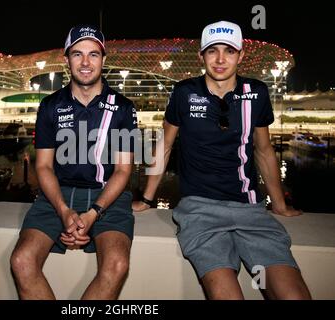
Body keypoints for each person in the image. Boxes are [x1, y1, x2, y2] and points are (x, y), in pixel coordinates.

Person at [132, 21, 311, 300]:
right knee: (227, 295)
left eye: (229, 51)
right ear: (201, 56)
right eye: (212, 51)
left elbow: (263, 151)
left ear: (240, 55)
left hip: (250, 210)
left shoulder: (256, 93)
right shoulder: (184, 93)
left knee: (293, 295)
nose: (219, 59)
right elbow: (164, 146)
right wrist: (146, 199)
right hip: (199, 210)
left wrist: (279, 204)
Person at [10, 25, 137, 300]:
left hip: (107, 195)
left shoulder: (124, 107)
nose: (86, 63)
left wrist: (93, 213)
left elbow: (124, 170)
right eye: (77, 54)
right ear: (66, 59)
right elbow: (43, 166)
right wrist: (64, 210)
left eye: (93, 54)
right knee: (21, 261)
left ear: (104, 60)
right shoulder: (50, 106)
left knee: (117, 264)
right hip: (57, 193)